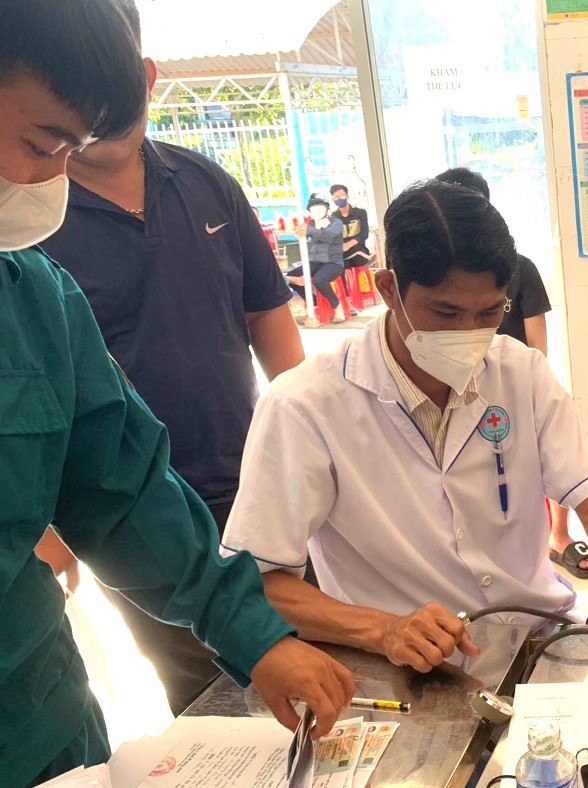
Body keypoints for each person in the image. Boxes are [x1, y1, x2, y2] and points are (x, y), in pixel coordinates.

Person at [0, 1, 355, 782]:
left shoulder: (32, 293)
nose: (52, 180)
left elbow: (121, 491)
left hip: (36, 718)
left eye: (69, 151)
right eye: (40, 145)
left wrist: (256, 635)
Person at [221, 180, 588, 681]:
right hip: (404, 668)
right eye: (446, 312)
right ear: (389, 289)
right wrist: (384, 629)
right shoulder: (305, 406)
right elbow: (255, 583)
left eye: (489, 313)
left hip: (541, 641)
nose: (468, 335)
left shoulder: (521, 373)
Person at [434, 166, 588, 580]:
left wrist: (524, 385)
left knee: (551, 454)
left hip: (507, 382)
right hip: (454, 385)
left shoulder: (519, 268)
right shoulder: (433, 275)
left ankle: (557, 536)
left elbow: (536, 342)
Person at [286, 194, 345, 321]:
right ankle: (314, 303)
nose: (317, 211)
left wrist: (309, 230)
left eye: (320, 207)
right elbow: (302, 234)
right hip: (315, 261)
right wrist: (295, 229)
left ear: (327, 209)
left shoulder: (336, 222)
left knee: (319, 279)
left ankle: (337, 307)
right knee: (292, 276)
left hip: (334, 262)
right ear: (309, 211)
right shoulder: (311, 224)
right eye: (313, 208)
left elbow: (329, 235)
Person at [329, 183, 371, 269]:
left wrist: (349, 244)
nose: (339, 198)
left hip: (359, 251)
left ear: (347, 196)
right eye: (336, 196)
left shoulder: (360, 213)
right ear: (333, 199)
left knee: (358, 261)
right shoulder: (332, 217)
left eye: (342, 195)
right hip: (341, 253)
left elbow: (364, 233)